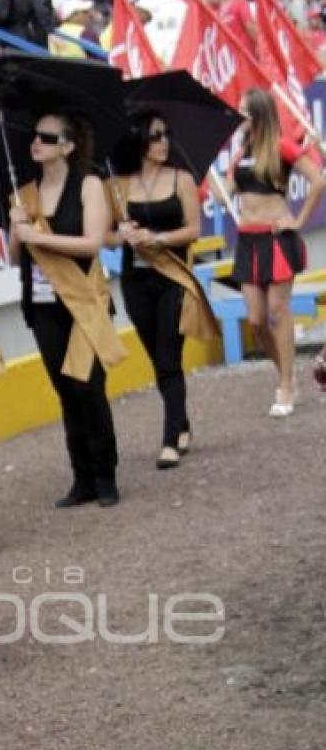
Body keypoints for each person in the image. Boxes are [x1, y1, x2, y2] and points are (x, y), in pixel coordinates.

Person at [9, 108, 123, 507]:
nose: (37, 142)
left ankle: (106, 474)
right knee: (65, 391)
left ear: (69, 147)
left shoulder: (89, 183)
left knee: (88, 387)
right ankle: (82, 477)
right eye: (36, 136)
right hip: (42, 305)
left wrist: (39, 236)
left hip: (83, 300)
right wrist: (16, 227)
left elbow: (92, 243)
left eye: (49, 137)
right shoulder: (25, 193)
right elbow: (13, 257)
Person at [108, 113, 213, 468]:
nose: (164, 141)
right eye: (156, 135)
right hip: (135, 280)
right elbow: (105, 234)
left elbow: (194, 229)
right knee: (158, 356)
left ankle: (170, 440)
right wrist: (122, 235)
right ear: (139, 139)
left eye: (167, 133)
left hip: (173, 277)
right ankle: (181, 423)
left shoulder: (181, 178)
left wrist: (158, 238)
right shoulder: (119, 185)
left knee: (169, 355)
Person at [228, 88, 326, 416]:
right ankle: (285, 372)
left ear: (258, 114)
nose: (239, 115)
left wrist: (297, 219)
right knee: (255, 321)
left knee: (277, 311)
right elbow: (230, 190)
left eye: (243, 110)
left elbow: (317, 180)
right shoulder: (240, 153)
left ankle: (285, 384)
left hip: (275, 238)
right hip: (247, 239)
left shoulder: (279, 146)